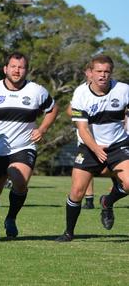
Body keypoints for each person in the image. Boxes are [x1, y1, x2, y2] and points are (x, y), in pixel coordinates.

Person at [0, 52, 58, 241]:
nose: (17, 70)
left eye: (21, 67)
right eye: (13, 66)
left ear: (26, 70)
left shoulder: (36, 91)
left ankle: (11, 218)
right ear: (5, 69)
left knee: (20, 181)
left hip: (23, 147)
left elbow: (53, 109)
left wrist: (42, 129)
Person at [56, 55, 129, 242]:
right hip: (89, 147)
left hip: (118, 145)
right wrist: (96, 149)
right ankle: (68, 232)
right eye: (99, 71)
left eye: (106, 72)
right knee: (77, 191)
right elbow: (82, 128)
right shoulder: (81, 94)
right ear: (91, 73)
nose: (103, 75)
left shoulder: (123, 90)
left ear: (111, 73)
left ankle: (107, 201)